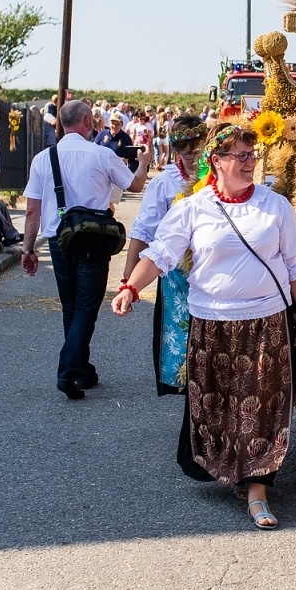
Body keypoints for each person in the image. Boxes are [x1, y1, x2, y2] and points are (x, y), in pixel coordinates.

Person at [112, 123, 296, 530]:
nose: (250, 162)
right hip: (213, 323)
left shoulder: (276, 207)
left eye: (252, 155)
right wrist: (131, 286)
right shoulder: (193, 208)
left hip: (266, 322)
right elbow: (162, 253)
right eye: (240, 156)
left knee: (262, 406)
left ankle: (259, 490)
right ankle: (234, 471)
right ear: (216, 161)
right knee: (219, 405)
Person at [20, 100, 150, 399]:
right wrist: (144, 162)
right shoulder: (102, 154)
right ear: (88, 121)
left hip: (58, 240)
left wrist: (27, 250)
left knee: (71, 307)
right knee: (86, 309)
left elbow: (31, 211)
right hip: (93, 238)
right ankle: (67, 372)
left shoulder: (43, 158)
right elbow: (135, 186)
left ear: (62, 124)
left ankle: (81, 369)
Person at [124, 114, 210, 397]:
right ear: (175, 150)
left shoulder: (216, 177)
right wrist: (129, 280)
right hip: (177, 274)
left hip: (213, 268)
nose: (191, 157)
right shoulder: (164, 183)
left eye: (196, 150)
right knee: (183, 331)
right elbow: (144, 229)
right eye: (185, 152)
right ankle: (188, 386)